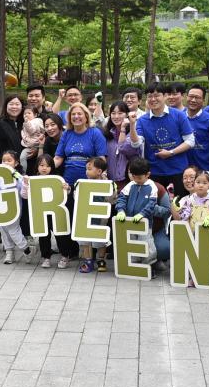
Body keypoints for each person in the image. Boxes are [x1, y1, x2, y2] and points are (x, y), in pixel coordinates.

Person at [54, 102, 108, 265]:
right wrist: (45, 170)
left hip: (89, 184)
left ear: (86, 116)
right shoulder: (67, 134)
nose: (76, 117)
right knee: (69, 217)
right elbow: (58, 158)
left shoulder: (95, 133)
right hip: (69, 183)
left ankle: (93, 255)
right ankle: (71, 252)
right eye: (73, 114)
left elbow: (102, 159)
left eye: (80, 114)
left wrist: (100, 179)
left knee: (89, 220)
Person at [137, 83, 195, 194]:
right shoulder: (142, 120)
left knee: (180, 205)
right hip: (154, 172)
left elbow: (190, 141)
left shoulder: (179, 115)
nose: (153, 99)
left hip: (178, 170)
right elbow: (136, 143)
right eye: (149, 96)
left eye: (157, 95)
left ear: (165, 96)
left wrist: (171, 152)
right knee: (156, 207)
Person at [77, 156, 114, 273]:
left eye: (90, 169)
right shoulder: (81, 183)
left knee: (100, 239)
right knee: (85, 239)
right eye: (86, 169)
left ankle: (100, 259)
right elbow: (76, 197)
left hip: (101, 218)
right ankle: (88, 260)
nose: (87, 171)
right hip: (85, 217)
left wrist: (108, 187)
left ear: (99, 171)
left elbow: (113, 199)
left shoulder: (108, 183)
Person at [103, 103, 143, 187]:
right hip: (110, 179)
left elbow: (124, 148)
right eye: (113, 113)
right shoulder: (107, 134)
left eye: (120, 113)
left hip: (129, 179)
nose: (116, 116)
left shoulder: (133, 132)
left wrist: (123, 129)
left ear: (127, 114)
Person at [184, 84, 209, 175]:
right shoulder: (179, 117)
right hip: (184, 170)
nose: (193, 100)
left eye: (197, 97)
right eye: (191, 96)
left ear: (203, 100)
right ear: (186, 97)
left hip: (205, 169)